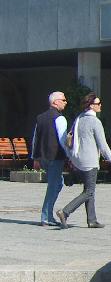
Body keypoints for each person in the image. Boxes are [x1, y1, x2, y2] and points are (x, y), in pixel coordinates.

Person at [56, 93, 111, 229]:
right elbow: (102, 143)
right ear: (91, 106)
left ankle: (92, 220)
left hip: (77, 159)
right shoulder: (95, 121)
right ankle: (65, 212)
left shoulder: (79, 118)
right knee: (89, 191)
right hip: (89, 160)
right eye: (98, 103)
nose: (100, 105)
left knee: (89, 190)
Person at [30, 90, 68, 227]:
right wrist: (70, 156)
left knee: (57, 183)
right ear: (55, 102)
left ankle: (47, 215)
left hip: (43, 157)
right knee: (53, 186)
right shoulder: (60, 118)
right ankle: (46, 216)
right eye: (63, 100)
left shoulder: (40, 118)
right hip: (55, 157)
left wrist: (35, 157)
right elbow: (63, 140)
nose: (65, 102)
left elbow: (35, 138)